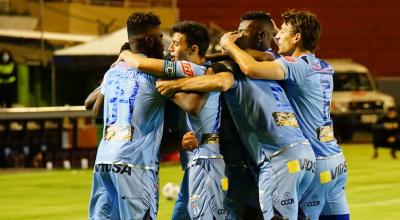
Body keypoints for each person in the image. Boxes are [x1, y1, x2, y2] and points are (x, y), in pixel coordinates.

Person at [155, 11, 316, 220]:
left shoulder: (240, 67)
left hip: (268, 160)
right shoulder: (274, 64)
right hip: (301, 154)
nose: (235, 35)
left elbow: (220, 82)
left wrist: (172, 85)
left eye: (241, 31)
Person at [219, 9, 350, 220]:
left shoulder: (296, 66)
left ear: (297, 37)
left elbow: (251, 68)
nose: (277, 36)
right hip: (335, 160)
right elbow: (269, 56)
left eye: (283, 32)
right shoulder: (325, 66)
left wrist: (229, 46)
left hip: (314, 160)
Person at [117, 20, 228, 220]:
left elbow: (142, 64)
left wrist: (125, 54)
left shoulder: (195, 70)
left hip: (206, 161)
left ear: (193, 49)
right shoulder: (201, 72)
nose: (170, 48)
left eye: (176, 43)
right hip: (194, 163)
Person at [88, 12, 167, 220]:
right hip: (135, 163)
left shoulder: (114, 71)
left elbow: (94, 107)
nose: (164, 43)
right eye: (160, 37)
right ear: (149, 41)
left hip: (104, 160)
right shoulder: (156, 71)